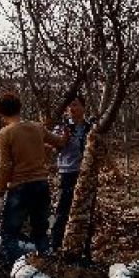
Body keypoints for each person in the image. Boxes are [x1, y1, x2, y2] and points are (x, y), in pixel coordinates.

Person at [0, 92, 67, 264]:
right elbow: (60, 143)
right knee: (40, 233)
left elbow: (4, 166)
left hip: (20, 188)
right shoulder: (37, 127)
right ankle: (48, 273)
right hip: (41, 185)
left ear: (1, 113)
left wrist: (0, 192)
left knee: (9, 235)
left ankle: (21, 276)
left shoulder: (5, 134)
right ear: (20, 107)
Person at [51, 94, 93, 252]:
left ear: (83, 107)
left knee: (86, 212)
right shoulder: (62, 127)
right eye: (70, 106)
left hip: (86, 175)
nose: (72, 109)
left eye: (76, 105)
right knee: (63, 211)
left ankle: (84, 249)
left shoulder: (91, 128)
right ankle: (56, 247)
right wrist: (63, 139)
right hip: (67, 173)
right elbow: (55, 148)